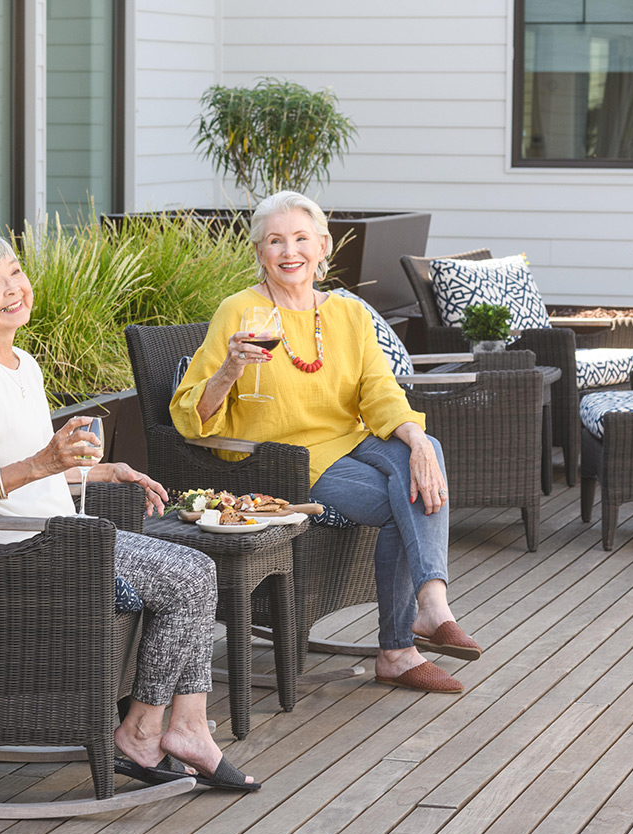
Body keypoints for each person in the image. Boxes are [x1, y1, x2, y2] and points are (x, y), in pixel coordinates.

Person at [0, 231, 257, 791]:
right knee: (192, 573)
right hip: (25, 555)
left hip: (62, 534)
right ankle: (151, 732)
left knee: (193, 570)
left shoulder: (19, 363)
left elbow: (30, 466)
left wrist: (103, 471)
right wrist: (42, 461)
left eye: (14, 271)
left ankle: (179, 726)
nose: (13, 288)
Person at [170, 190, 482, 694]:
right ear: (259, 253)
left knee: (427, 450)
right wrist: (230, 367)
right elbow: (191, 417)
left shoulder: (348, 314)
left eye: (300, 238)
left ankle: (430, 606)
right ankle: (400, 647)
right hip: (287, 457)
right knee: (404, 501)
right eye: (275, 241)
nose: (288, 251)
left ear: (322, 247)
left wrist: (418, 440)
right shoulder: (240, 312)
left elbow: (378, 391)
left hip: (352, 437)